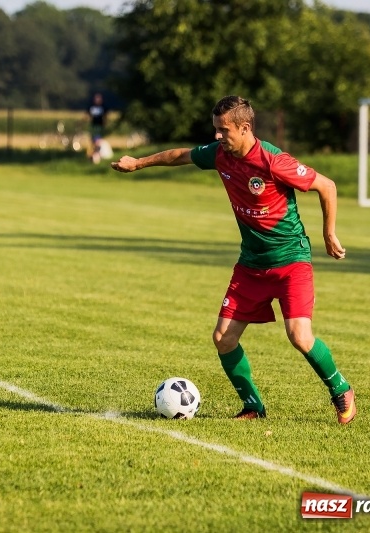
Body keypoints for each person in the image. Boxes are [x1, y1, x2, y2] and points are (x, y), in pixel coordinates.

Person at [111, 95, 356, 424]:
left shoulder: (272, 160)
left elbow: (327, 186)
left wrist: (329, 234)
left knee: (299, 335)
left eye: (223, 130)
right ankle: (253, 406)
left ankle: (341, 390)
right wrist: (138, 163)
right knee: (223, 338)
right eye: (215, 129)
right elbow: (179, 155)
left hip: (291, 260)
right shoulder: (220, 155)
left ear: (245, 128)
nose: (217, 136)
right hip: (251, 264)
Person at [87, 92, 108, 164]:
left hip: (100, 127)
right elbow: (88, 116)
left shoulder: (103, 107)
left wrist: (105, 125)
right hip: (93, 127)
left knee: (98, 142)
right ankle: (94, 156)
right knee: (93, 142)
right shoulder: (92, 107)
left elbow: (105, 117)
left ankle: (97, 156)